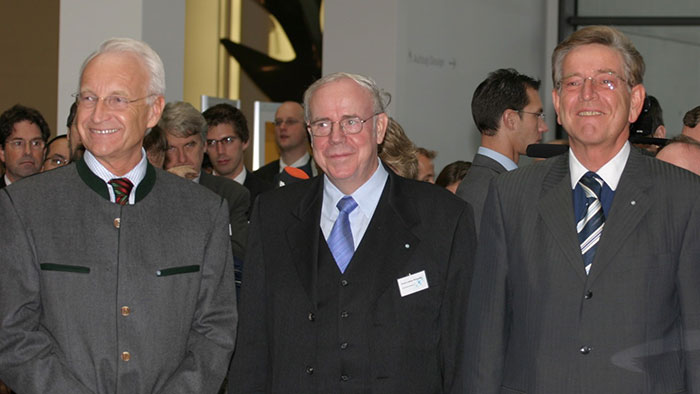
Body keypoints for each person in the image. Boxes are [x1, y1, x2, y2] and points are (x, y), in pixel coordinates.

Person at [464, 26, 700, 393]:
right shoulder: (510, 195)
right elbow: (485, 338)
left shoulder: (684, 197)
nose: (587, 94)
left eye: (606, 81)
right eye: (573, 83)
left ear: (635, 101)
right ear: (558, 103)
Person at [0, 38, 237, 394]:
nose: (97, 114)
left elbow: (214, 332)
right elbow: (13, 332)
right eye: (88, 97)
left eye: (117, 99)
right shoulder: (26, 206)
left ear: (154, 111)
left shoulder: (203, 212)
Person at [229, 72, 476, 393]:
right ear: (310, 133)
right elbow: (252, 343)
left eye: (351, 122)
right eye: (322, 124)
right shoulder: (273, 214)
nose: (336, 137)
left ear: (379, 128)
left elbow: (463, 350)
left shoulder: (443, 217)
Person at [456, 68, 548, 234]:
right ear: (511, 119)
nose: (544, 127)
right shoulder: (484, 189)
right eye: (537, 115)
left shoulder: (492, 182)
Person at [160, 100, 249, 262]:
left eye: (189, 145)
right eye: (171, 148)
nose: (182, 158)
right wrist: (167, 191)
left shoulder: (230, 194)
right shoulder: (150, 193)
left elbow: (238, 254)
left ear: (204, 147)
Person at [203, 103, 272, 214]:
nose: (220, 151)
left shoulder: (267, 195)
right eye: (212, 142)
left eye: (228, 140)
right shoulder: (197, 192)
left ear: (245, 142)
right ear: (204, 148)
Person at [254, 101, 318, 185]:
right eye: (278, 122)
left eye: (290, 122)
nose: (282, 127)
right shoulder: (259, 178)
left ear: (307, 128)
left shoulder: (320, 173)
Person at [0, 104, 51, 187]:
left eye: (36, 143)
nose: (28, 151)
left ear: (44, 152)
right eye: (18, 143)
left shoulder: (57, 195)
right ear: (2, 152)